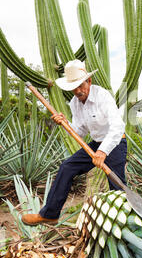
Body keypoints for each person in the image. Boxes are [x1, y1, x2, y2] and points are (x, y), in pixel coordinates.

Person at [22, 59, 127, 226]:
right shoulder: (75, 103)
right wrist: (64, 123)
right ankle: (49, 214)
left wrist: (103, 151)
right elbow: (80, 131)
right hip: (95, 143)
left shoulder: (103, 96)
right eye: (74, 88)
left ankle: (124, 222)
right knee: (67, 167)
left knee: (116, 184)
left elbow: (117, 126)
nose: (78, 91)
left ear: (89, 81)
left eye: (81, 86)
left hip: (115, 143)